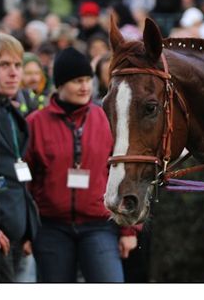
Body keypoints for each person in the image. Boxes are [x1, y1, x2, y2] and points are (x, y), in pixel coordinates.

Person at [25, 47, 139, 282]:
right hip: (51, 228)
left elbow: (125, 175)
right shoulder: (35, 123)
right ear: (60, 84)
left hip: (100, 226)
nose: (85, 87)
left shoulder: (106, 119)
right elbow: (26, 181)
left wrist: (128, 229)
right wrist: (25, 231)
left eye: (88, 80)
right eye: (77, 81)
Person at [0, 34, 41, 282]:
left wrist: (28, 227)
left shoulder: (11, 113)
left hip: (17, 235)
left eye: (17, 65)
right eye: (4, 65)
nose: (14, 73)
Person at [15, 52, 52, 117]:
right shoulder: (13, 101)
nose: (34, 78)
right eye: (28, 73)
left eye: (37, 73)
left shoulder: (50, 98)